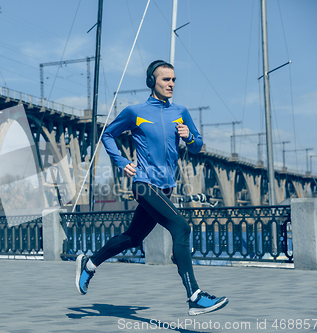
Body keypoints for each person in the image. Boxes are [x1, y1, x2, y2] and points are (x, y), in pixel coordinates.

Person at [75, 60, 228, 316]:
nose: (171, 84)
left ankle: (89, 265)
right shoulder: (135, 111)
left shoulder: (181, 112)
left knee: (134, 237)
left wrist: (188, 136)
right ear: (151, 81)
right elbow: (108, 135)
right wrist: (122, 162)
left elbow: (197, 145)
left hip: (165, 189)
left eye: (173, 80)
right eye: (165, 79)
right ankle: (195, 296)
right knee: (181, 226)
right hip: (144, 185)